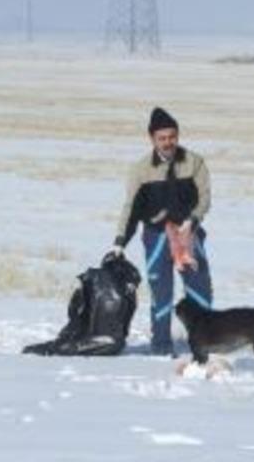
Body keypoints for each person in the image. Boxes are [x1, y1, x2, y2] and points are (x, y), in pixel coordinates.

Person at [106, 107, 213, 355]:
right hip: (156, 238)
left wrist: (192, 220)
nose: (168, 142)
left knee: (200, 291)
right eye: (162, 138)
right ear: (152, 139)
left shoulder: (194, 162)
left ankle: (204, 343)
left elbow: (205, 198)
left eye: (172, 136)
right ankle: (161, 346)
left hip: (188, 234)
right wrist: (120, 241)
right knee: (161, 294)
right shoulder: (141, 170)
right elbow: (131, 209)